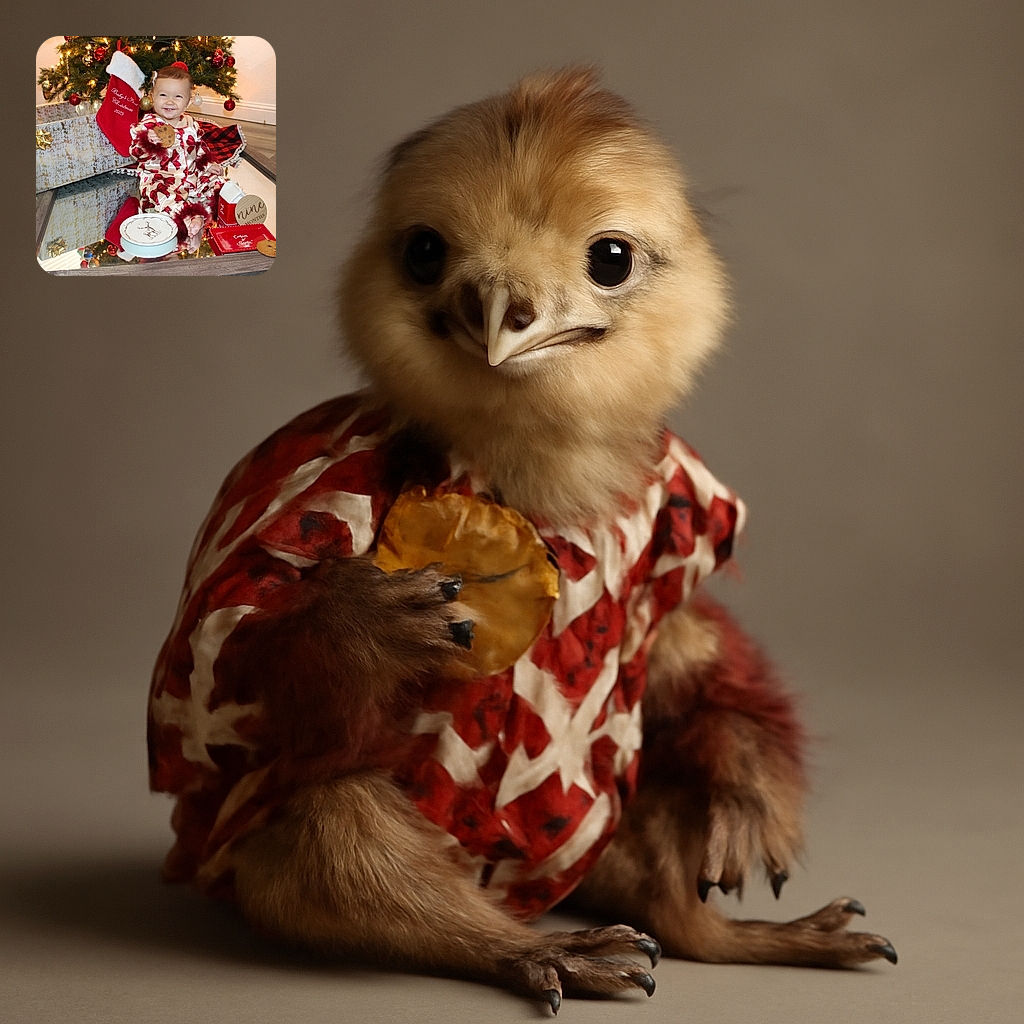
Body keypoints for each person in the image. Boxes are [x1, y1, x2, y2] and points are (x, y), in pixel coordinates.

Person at [128, 62, 225, 252]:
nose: (170, 101)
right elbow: (135, 152)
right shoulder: (149, 126)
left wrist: (207, 164)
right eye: (163, 95)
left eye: (178, 96)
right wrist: (148, 141)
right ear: (152, 98)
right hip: (162, 176)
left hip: (191, 175)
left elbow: (198, 148)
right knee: (161, 194)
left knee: (216, 181)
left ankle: (225, 206)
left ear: (188, 102)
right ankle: (190, 220)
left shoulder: (190, 123)